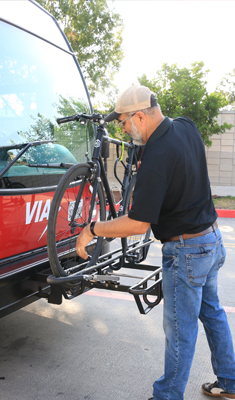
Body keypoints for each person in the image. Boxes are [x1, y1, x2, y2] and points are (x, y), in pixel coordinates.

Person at [75, 85, 235, 400]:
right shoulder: (185, 127)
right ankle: (230, 380)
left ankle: (167, 396)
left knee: (179, 332)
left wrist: (93, 229)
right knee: (212, 312)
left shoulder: (157, 156)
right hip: (211, 240)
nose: (123, 129)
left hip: (187, 251)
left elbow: (137, 223)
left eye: (123, 122)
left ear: (139, 116)